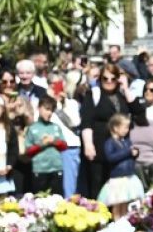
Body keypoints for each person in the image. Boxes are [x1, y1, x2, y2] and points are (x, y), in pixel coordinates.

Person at [79, 63, 137, 199]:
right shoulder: (93, 94)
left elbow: (139, 112)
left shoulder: (121, 95)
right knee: (98, 186)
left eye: (113, 78)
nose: (109, 82)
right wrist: (88, 144)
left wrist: (126, 88)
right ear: (100, 79)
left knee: (118, 190)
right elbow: (86, 121)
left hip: (119, 149)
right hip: (99, 147)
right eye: (105, 78)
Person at [98, 113, 144, 218]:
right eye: (125, 127)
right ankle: (117, 222)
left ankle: (125, 221)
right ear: (115, 128)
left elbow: (130, 154)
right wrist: (128, 152)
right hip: (117, 179)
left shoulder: (127, 142)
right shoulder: (110, 143)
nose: (127, 130)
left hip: (129, 177)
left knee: (126, 202)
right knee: (117, 203)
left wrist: (135, 154)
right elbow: (110, 157)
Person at [24, 95, 67, 195]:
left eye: (51, 110)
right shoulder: (33, 128)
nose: (49, 113)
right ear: (39, 108)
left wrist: (54, 142)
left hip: (56, 168)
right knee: (40, 200)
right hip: (40, 170)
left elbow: (64, 146)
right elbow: (28, 151)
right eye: (47, 109)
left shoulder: (55, 127)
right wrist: (41, 144)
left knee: (57, 199)